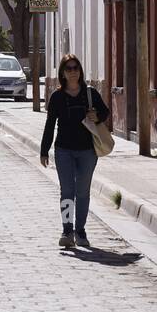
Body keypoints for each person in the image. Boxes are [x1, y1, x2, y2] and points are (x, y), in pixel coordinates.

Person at [40, 53, 110, 249]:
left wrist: (96, 116)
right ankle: (67, 230)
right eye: (69, 68)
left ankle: (80, 230)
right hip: (64, 150)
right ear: (63, 72)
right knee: (67, 191)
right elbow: (49, 124)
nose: (73, 72)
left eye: (76, 68)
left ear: (80, 71)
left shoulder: (89, 93)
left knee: (83, 192)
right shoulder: (57, 96)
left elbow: (105, 113)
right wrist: (44, 150)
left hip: (87, 150)